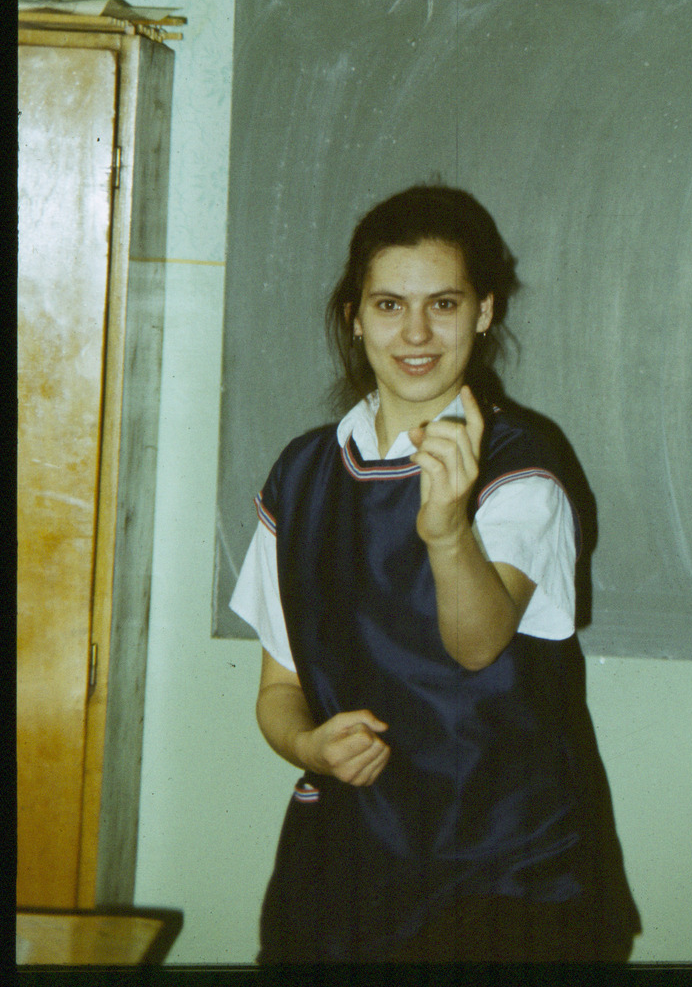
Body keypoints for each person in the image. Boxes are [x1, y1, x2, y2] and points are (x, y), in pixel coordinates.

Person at [230, 184, 605, 963]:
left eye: (444, 304)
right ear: (354, 316)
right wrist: (309, 747)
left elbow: (477, 644)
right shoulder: (302, 475)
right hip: (341, 865)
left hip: (501, 876)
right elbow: (279, 689)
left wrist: (445, 530)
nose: (416, 333)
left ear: (485, 312)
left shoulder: (522, 468)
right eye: (389, 305)